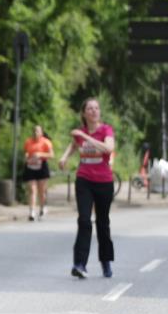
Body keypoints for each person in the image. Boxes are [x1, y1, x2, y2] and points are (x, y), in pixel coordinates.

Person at [59, 98, 115, 279]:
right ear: (84, 113)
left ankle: (105, 262)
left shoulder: (106, 130)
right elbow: (74, 145)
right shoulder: (79, 133)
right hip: (84, 180)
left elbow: (108, 148)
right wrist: (64, 157)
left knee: (102, 223)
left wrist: (85, 137)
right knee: (84, 220)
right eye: (90, 108)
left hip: (104, 182)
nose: (93, 111)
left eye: (96, 108)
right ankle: (80, 264)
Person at [22, 124, 54, 221]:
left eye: (38, 131)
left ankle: (43, 208)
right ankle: (32, 211)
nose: (36, 132)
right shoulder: (28, 141)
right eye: (34, 131)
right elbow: (26, 153)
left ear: (41, 132)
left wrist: (40, 154)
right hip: (30, 166)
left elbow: (52, 155)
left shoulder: (46, 142)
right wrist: (26, 156)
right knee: (32, 189)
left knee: (41, 190)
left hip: (42, 166)